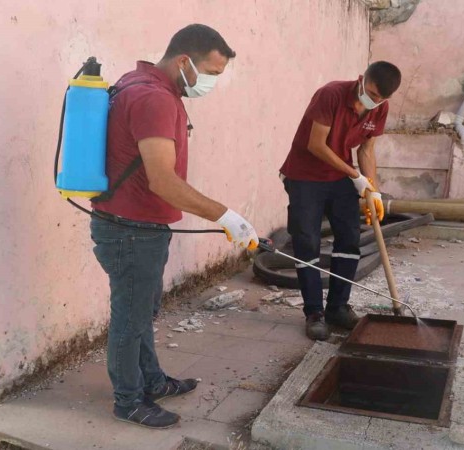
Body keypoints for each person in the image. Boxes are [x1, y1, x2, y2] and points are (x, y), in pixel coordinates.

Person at [90, 24, 259, 429]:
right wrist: (226, 216)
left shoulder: (142, 82)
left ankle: (151, 380)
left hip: (135, 223)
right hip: (131, 229)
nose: (213, 83)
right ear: (185, 62)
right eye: (212, 73)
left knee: (141, 311)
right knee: (130, 317)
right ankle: (128, 400)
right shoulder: (153, 98)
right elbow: (162, 181)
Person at [279, 61, 402, 341]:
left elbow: (367, 149)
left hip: (340, 178)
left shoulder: (379, 107)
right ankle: (314, 314)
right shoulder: (331, 94)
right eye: (371, 92)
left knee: (349, 239)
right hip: (304, 177)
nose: (374, 100)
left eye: (381, 98)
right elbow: (316, 144)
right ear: (362, 80)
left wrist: (372, 189)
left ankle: (337, 307)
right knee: (307, 241)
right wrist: (354, 175)